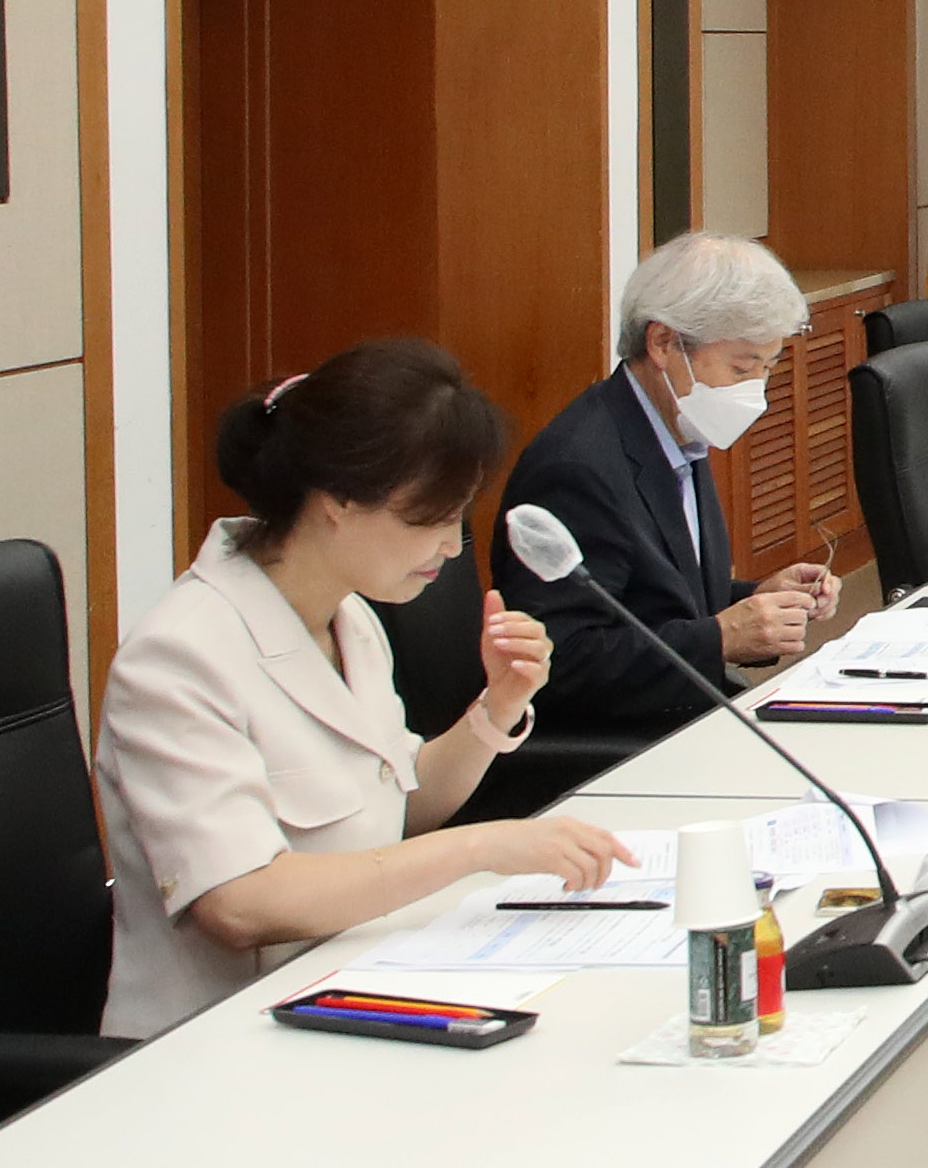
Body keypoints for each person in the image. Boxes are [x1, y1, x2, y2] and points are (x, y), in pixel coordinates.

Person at [96, 342, 626, 1035]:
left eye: (458, 518)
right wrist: (479, 849)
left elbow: (400, 806)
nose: (451, 546)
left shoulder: (349, 618)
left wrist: (496, 708)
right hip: (220, 1036)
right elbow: (239, 902)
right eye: (428, 519)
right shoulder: (180, 655)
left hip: (354, 982)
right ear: (338, 502)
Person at [499, 234, 844, 745]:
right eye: (742, 367)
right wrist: (722, 637)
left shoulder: (676, 430)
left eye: (767, 368)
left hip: (686, 715)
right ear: (663, 343)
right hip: (620, 745)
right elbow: (560, 660)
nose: (757, 390)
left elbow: (661, 600)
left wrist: (759, 599)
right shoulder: (578, 468)